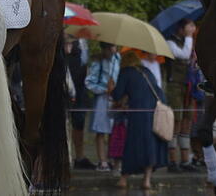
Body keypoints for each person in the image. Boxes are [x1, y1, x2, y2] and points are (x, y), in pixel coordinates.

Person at [111, 50, 170, 190]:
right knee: (150, 144)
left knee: (133, 143)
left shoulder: (125, 72)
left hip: (138, 113)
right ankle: (147, 180)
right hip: (154, 111)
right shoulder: (147, 72)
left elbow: (117, 95)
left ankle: (123, 179)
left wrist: (112, 87)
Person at [164, 18, 197, 171]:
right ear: (181, 28)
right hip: (174, 86)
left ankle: (185, 161)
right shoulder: (170, 42)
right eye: (190, 26)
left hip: (188, 87)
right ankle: (173, 161)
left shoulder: (188, 42)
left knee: (187, 122)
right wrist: (190, 37)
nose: (193, 28)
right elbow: (183, 54)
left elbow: (189, 58)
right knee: (176, 121)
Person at [84, 42, 120, 172]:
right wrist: (103, 89)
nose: (112, 50)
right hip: (102, 99)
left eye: (114, 47)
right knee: (101, 130)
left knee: (114, 130)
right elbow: (89, 82)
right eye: (110, 47)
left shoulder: (118, 59)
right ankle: (102, 161)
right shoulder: (98, 61)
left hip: (115, 98)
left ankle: (112, 158)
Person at [66, 35, 96, 169]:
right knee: (64, 124)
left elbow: (85, 61)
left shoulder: (83, 40)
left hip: (80, 87)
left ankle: (80, 156)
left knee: (79, 123)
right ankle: (65, 157)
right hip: (66, 86)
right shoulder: (65, 39)